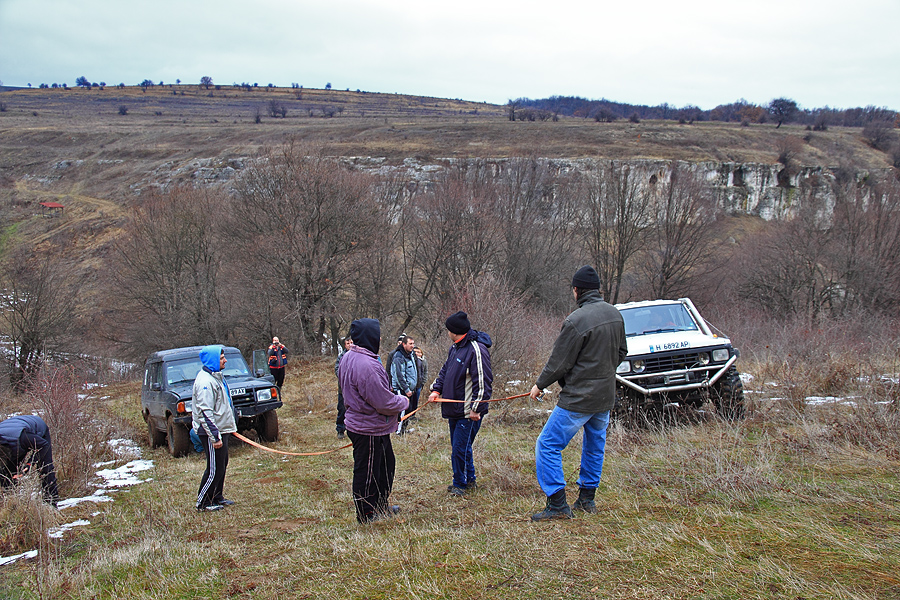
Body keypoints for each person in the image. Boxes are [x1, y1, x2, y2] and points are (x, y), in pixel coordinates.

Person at [528, 265, 627, 521]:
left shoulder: (576, 320)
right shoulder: (615, 314)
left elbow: (559, 362)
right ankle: (587, 500)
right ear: (597, 290)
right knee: (595, 447)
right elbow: (621, 354)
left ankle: (558, 505)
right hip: (605, 397)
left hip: (579, 399)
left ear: (576, 290)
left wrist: (539, 385)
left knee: (547, 445)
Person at [338, 318, 408, 523]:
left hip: (374, 426)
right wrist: (403, 401)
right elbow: (383, 401)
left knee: (385, 466)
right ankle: (366, 514)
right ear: (370, 336)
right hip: (366, 427)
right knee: (367, 472)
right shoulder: (366, 365)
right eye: (376, 334)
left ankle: (379, 505)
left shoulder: (351, 356)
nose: (379, 338)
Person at [428, 311, 492, 496]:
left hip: (468, 412)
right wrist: (435, 390)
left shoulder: (476, 349)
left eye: (448, 329)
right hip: (453, 409)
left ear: (454, 331)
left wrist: (476, 409)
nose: (447, 332)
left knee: (459, 449)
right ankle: (469, 480)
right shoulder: (455, 348)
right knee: (462, 447)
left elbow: (483, 381)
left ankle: (460, 485)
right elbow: (445, 371)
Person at [193, 345, 238, 512]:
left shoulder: (217, 377)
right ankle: (203, 502)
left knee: (222, 463)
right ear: (213, 360)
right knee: (214, 468)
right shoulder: (205, 382)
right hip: (211, 432)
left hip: (221, 430)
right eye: (221, 358)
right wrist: (215, 437)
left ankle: (216, 496)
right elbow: (205, 412)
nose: (225, 360)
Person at [0, 415, 59, 506]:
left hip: (36, 429)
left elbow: (44, 445)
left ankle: (51, 506)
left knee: (45, 469)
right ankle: (11, 505)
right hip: (12, 433)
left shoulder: (23, 438)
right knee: (7, 473)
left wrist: (30, 463)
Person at [390, 334, 417, 434]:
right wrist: (406, 389)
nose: (412, 346)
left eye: (413, 344)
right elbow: (399, 376)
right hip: (401, 389)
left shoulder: (410, 354)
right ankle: (399, 431)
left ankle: (403, 429)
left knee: (409, 410)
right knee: (403, 409)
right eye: (410, 344)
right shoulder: (398, 356)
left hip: (410, 389)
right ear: (404, 344)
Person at [334, 335, 352, 439]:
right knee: (342, 409)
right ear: (345, 345)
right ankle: (340, 429)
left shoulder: (357, 356)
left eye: (351, 343)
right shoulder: (341, 357)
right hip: (343, 389)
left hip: (354, 390)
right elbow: (337, 370)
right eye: (348, 343)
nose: (350, 345)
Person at [410, 346, 428, 422]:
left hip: (419, 384)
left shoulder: (424, 361)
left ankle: (413, 415)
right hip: (412, 385)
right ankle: (408, 416)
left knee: (416, 401)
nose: (417, 353)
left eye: (419, 352)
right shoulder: (411, 360)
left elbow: (425, 372)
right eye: (415, 352)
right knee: (410, 401)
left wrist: (423, 382)